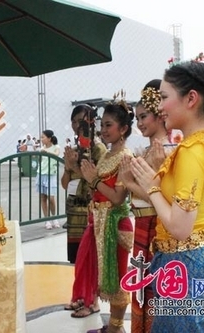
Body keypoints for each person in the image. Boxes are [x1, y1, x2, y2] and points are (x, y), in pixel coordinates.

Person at [130, 61, 204, 332]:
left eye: (164, 98)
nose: (160, 107)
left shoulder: (192, 151)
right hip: (200, 264)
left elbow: (180, 228)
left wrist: (152, 186)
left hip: (186, 269)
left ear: (191, 99)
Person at [70, 99, 134, 333]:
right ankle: (112, 327)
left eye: (109, 125)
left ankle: (117, 329)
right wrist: (77, 169)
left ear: (123, 129)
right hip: (99, 222)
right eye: (103, 125)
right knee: (104, 275)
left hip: (115, 224)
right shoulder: (108, 155)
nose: (103, 130)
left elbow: (117, 197)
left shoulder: (125, 157)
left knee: (116, 278)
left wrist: (94, 179)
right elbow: (96, 186)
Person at [119, 79, 175, 333]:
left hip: (156, 226)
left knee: (150, 291)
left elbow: (160, 196)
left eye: (144, 117)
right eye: (137, 118)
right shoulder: (147, 150)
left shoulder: (166, 149)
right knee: (142, 289)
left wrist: (129, 184)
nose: (140, 123)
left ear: (159, 116)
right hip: (142, 224)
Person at [62, 104, 106, 263]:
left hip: (90, 208)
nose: (76, 125)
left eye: (80, 120)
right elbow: (64, 184)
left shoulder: (98, 149)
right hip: (74, 209)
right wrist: (68, 168)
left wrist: (73, 166)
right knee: (77, 259)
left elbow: (96, 181)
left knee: (91, 258)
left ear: (91, 121)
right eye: (73, 121)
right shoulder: (74, 149)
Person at [36, 129, 60, 229]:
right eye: (41, 137)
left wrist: (45, 151)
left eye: (43, 137)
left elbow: (57, 155)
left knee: (51, 198)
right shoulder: (41, 148)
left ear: (49, 138)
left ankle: (54, 217)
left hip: (51, 175)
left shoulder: (56, 147)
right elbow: (40, 161)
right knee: (43, 198)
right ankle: (47, 220)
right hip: (41, 174)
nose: (41, 139)